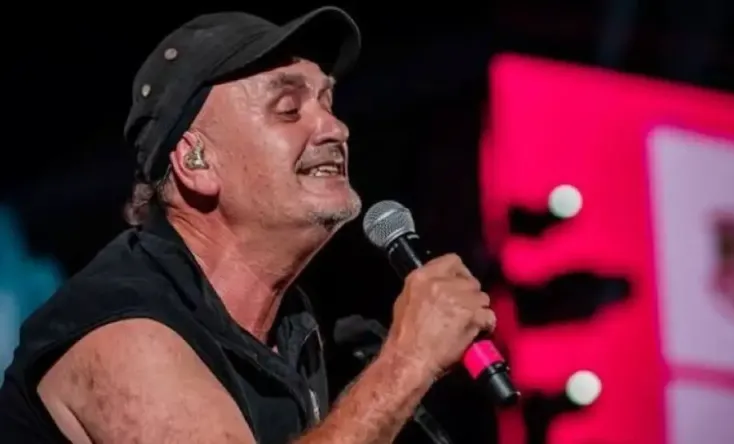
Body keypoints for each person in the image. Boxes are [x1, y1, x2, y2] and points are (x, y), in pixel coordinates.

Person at [0, 6, 496, 444]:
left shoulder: (290, 328)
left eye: (328, 102)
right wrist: (407, 362)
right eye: (289, 110)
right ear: (196, 162)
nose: (335, 128)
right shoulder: (121, 323)